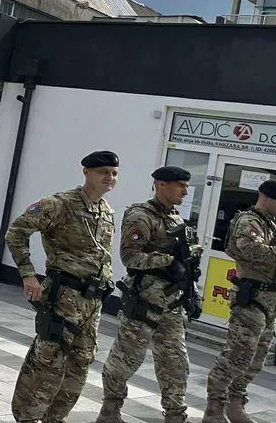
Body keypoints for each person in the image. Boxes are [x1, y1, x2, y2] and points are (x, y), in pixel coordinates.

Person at [5, 151, 117, 423]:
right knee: (48, 357)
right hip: (63, 295)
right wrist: (28, 275)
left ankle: (55, 417)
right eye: (103, 172)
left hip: (92, 301)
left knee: (82, 360)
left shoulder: (106, 211)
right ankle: (27, 416)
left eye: (114, 173)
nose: (110, 178)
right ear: (86, 172)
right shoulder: (59, 204)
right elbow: (16, 233)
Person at [97, 166, 199, 423]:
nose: (185, 191)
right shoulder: (141, 215)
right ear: (161, 184)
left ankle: (175, 413)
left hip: (172, 303)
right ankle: (110, 410)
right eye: (180, 185)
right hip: (145, 301)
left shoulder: (176, 218)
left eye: (187, 186)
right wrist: (167, 261)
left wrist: (192, 290)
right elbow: (129, 256)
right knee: (125, 359)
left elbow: (186, 264)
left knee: (176, 362)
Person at [202, 178, 276, 423]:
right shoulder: (248, 221)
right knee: (237, 354)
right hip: (251, 298)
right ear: (266, 197)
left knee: (256, 358)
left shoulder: (273, 225)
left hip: (270, 297)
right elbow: (254, 252)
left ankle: (235, 403)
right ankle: (214, 409)